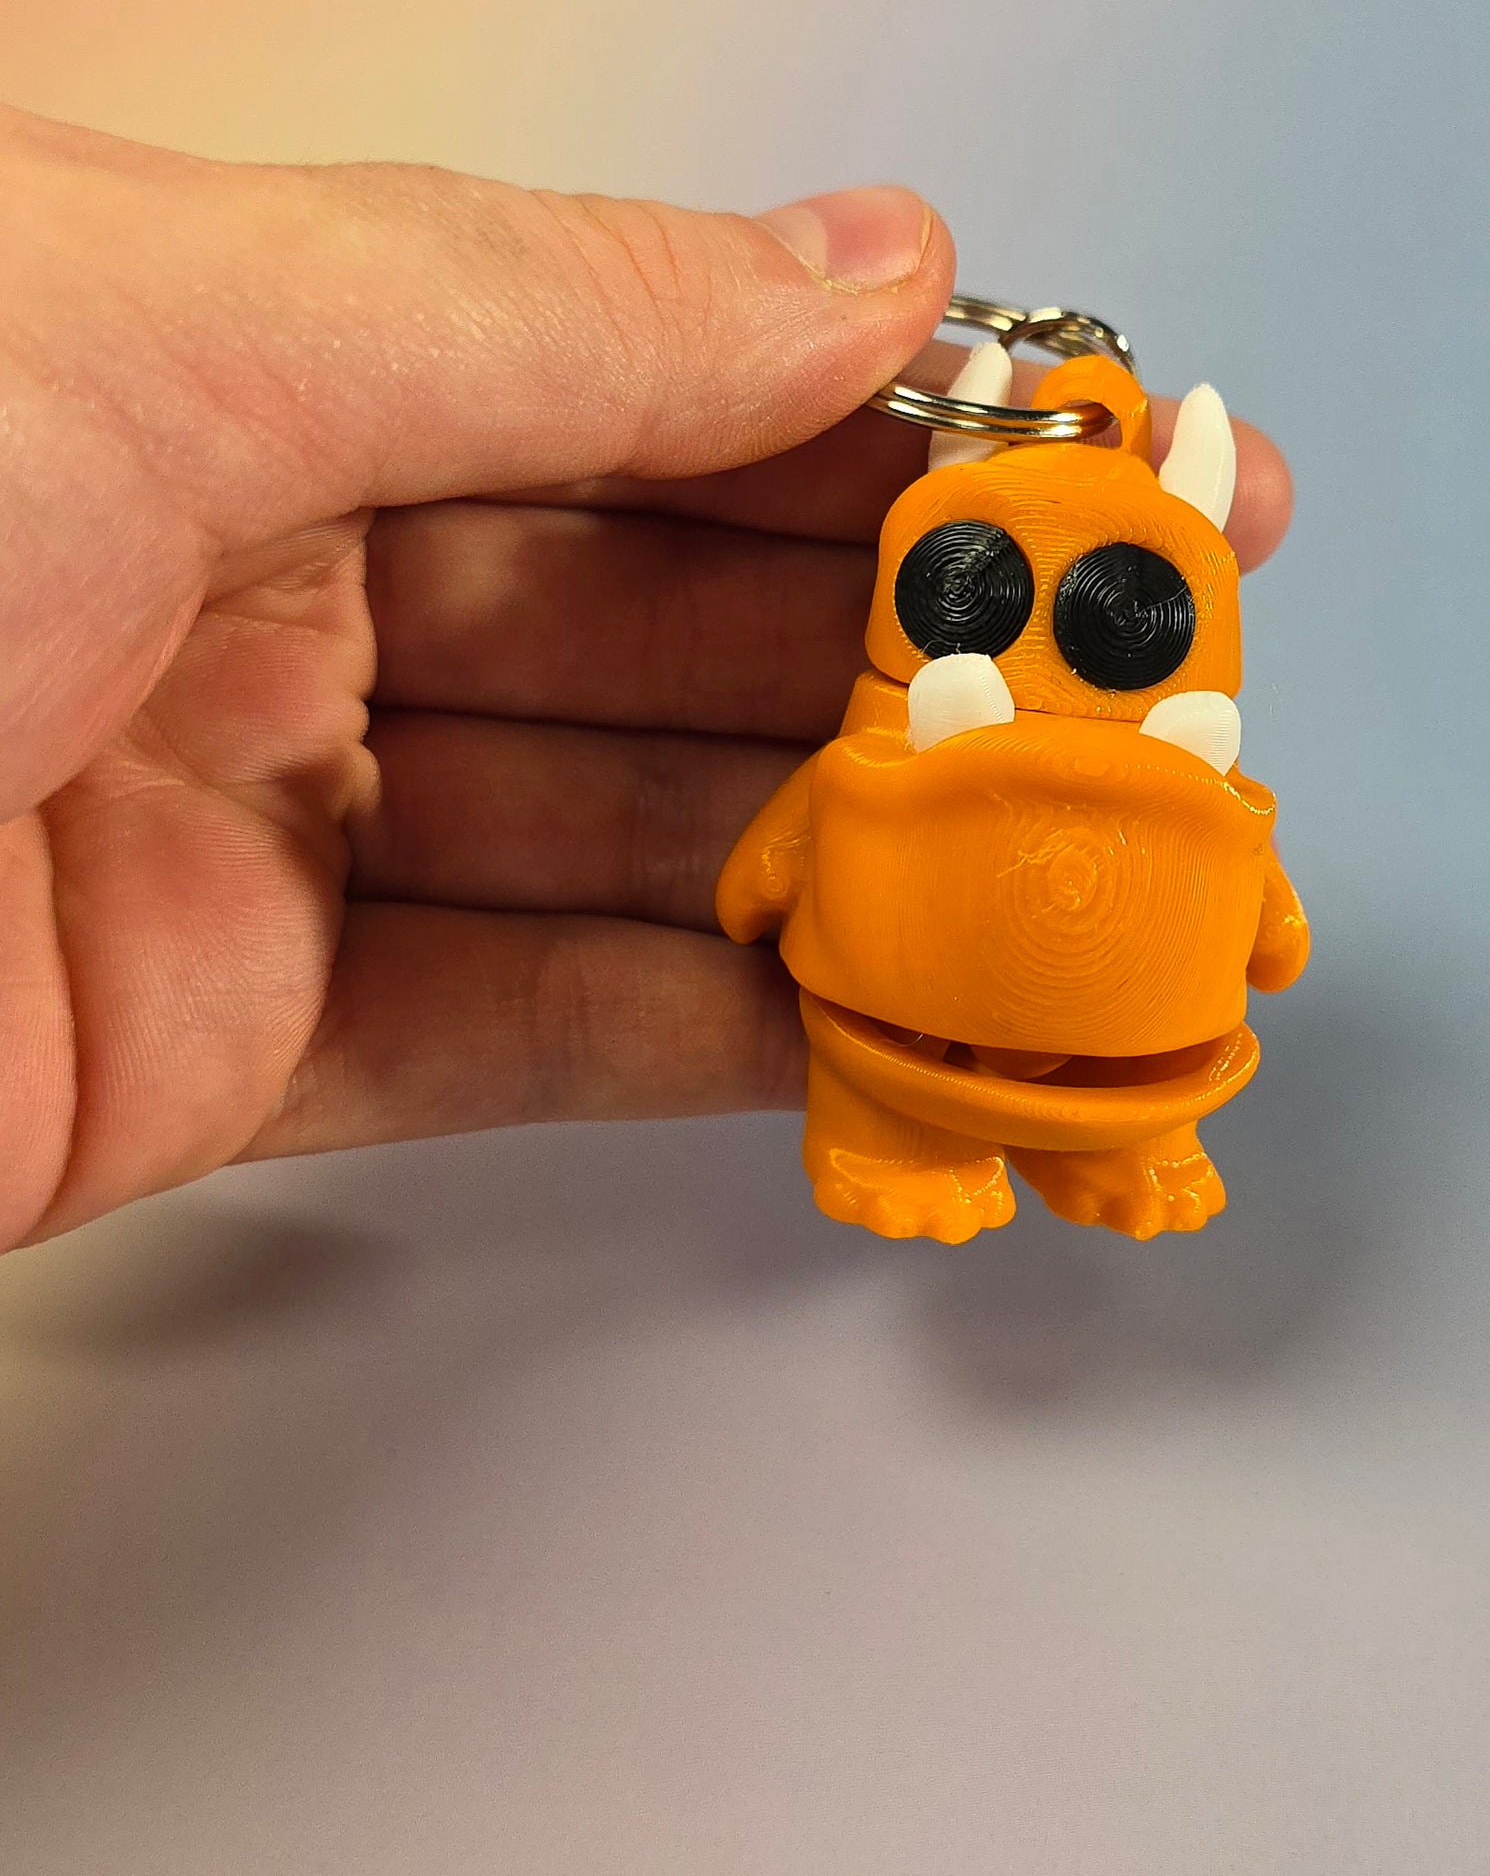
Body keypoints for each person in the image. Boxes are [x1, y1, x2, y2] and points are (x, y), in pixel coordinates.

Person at [0, 105, 1293, 1251]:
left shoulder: (1154, 751)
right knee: (881, 1080)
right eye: (981, 591)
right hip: (888, 998)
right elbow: (789, 845)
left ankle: (1121, 1141)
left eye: (1131, 619)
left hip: (1137, 1018)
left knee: (1117, 1065)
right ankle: (900, 1144)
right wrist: (765, 875)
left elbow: (1252, 909)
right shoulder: (893, 732)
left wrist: (1261, 918)